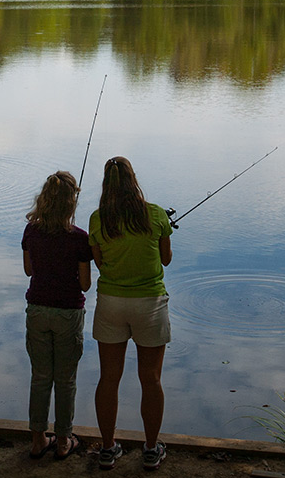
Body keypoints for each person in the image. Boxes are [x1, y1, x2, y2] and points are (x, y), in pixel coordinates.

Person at [88, 156, 173, 471]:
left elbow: (99, 262)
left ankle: (108, 448)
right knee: (151, 379)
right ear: (133, 180)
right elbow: (165, 259)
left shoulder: (98, 219)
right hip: (149, 303)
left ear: (106, 184)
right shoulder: (156, 214)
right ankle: (150, 449)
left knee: (109, 378)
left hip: (111, 302)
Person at [21, 171, 93, 460]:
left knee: (40, 377)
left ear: (44, 199)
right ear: (70, 203)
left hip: (37, 310)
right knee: (65, 380)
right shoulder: (80, 238)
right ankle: (63, 441)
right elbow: (85, 284)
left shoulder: (31, 231)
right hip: (68, 314)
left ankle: (38, 440)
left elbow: (29, 270)